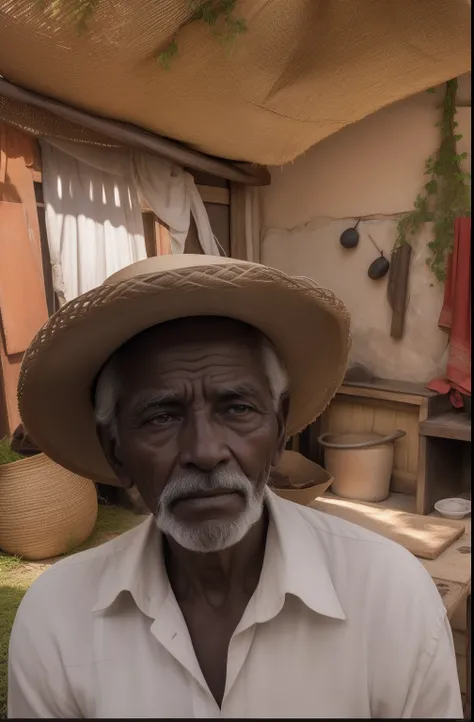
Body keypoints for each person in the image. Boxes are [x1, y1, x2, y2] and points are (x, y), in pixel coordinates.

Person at [9, 255, 462, 718]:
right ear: (115, 449)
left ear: (279, 429)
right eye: (161, 416)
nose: (205, 452)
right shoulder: (56, 622)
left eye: (237, 408)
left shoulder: (391, 598)